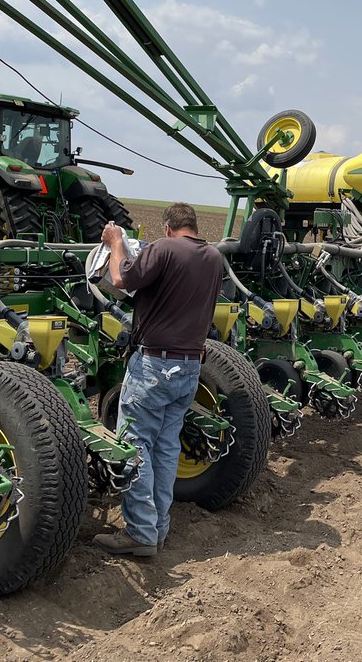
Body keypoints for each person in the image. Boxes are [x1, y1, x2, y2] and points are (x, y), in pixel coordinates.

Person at [93, 202, 223, 557]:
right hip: (189, 368)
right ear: (193, 226)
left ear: (168, 228)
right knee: (166, 449)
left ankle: (139, 534)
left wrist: (116, 241)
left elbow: (120, 279)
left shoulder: (164, 249)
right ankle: (158, 528)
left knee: (134, 443)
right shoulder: (213, 258)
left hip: (154, 367)